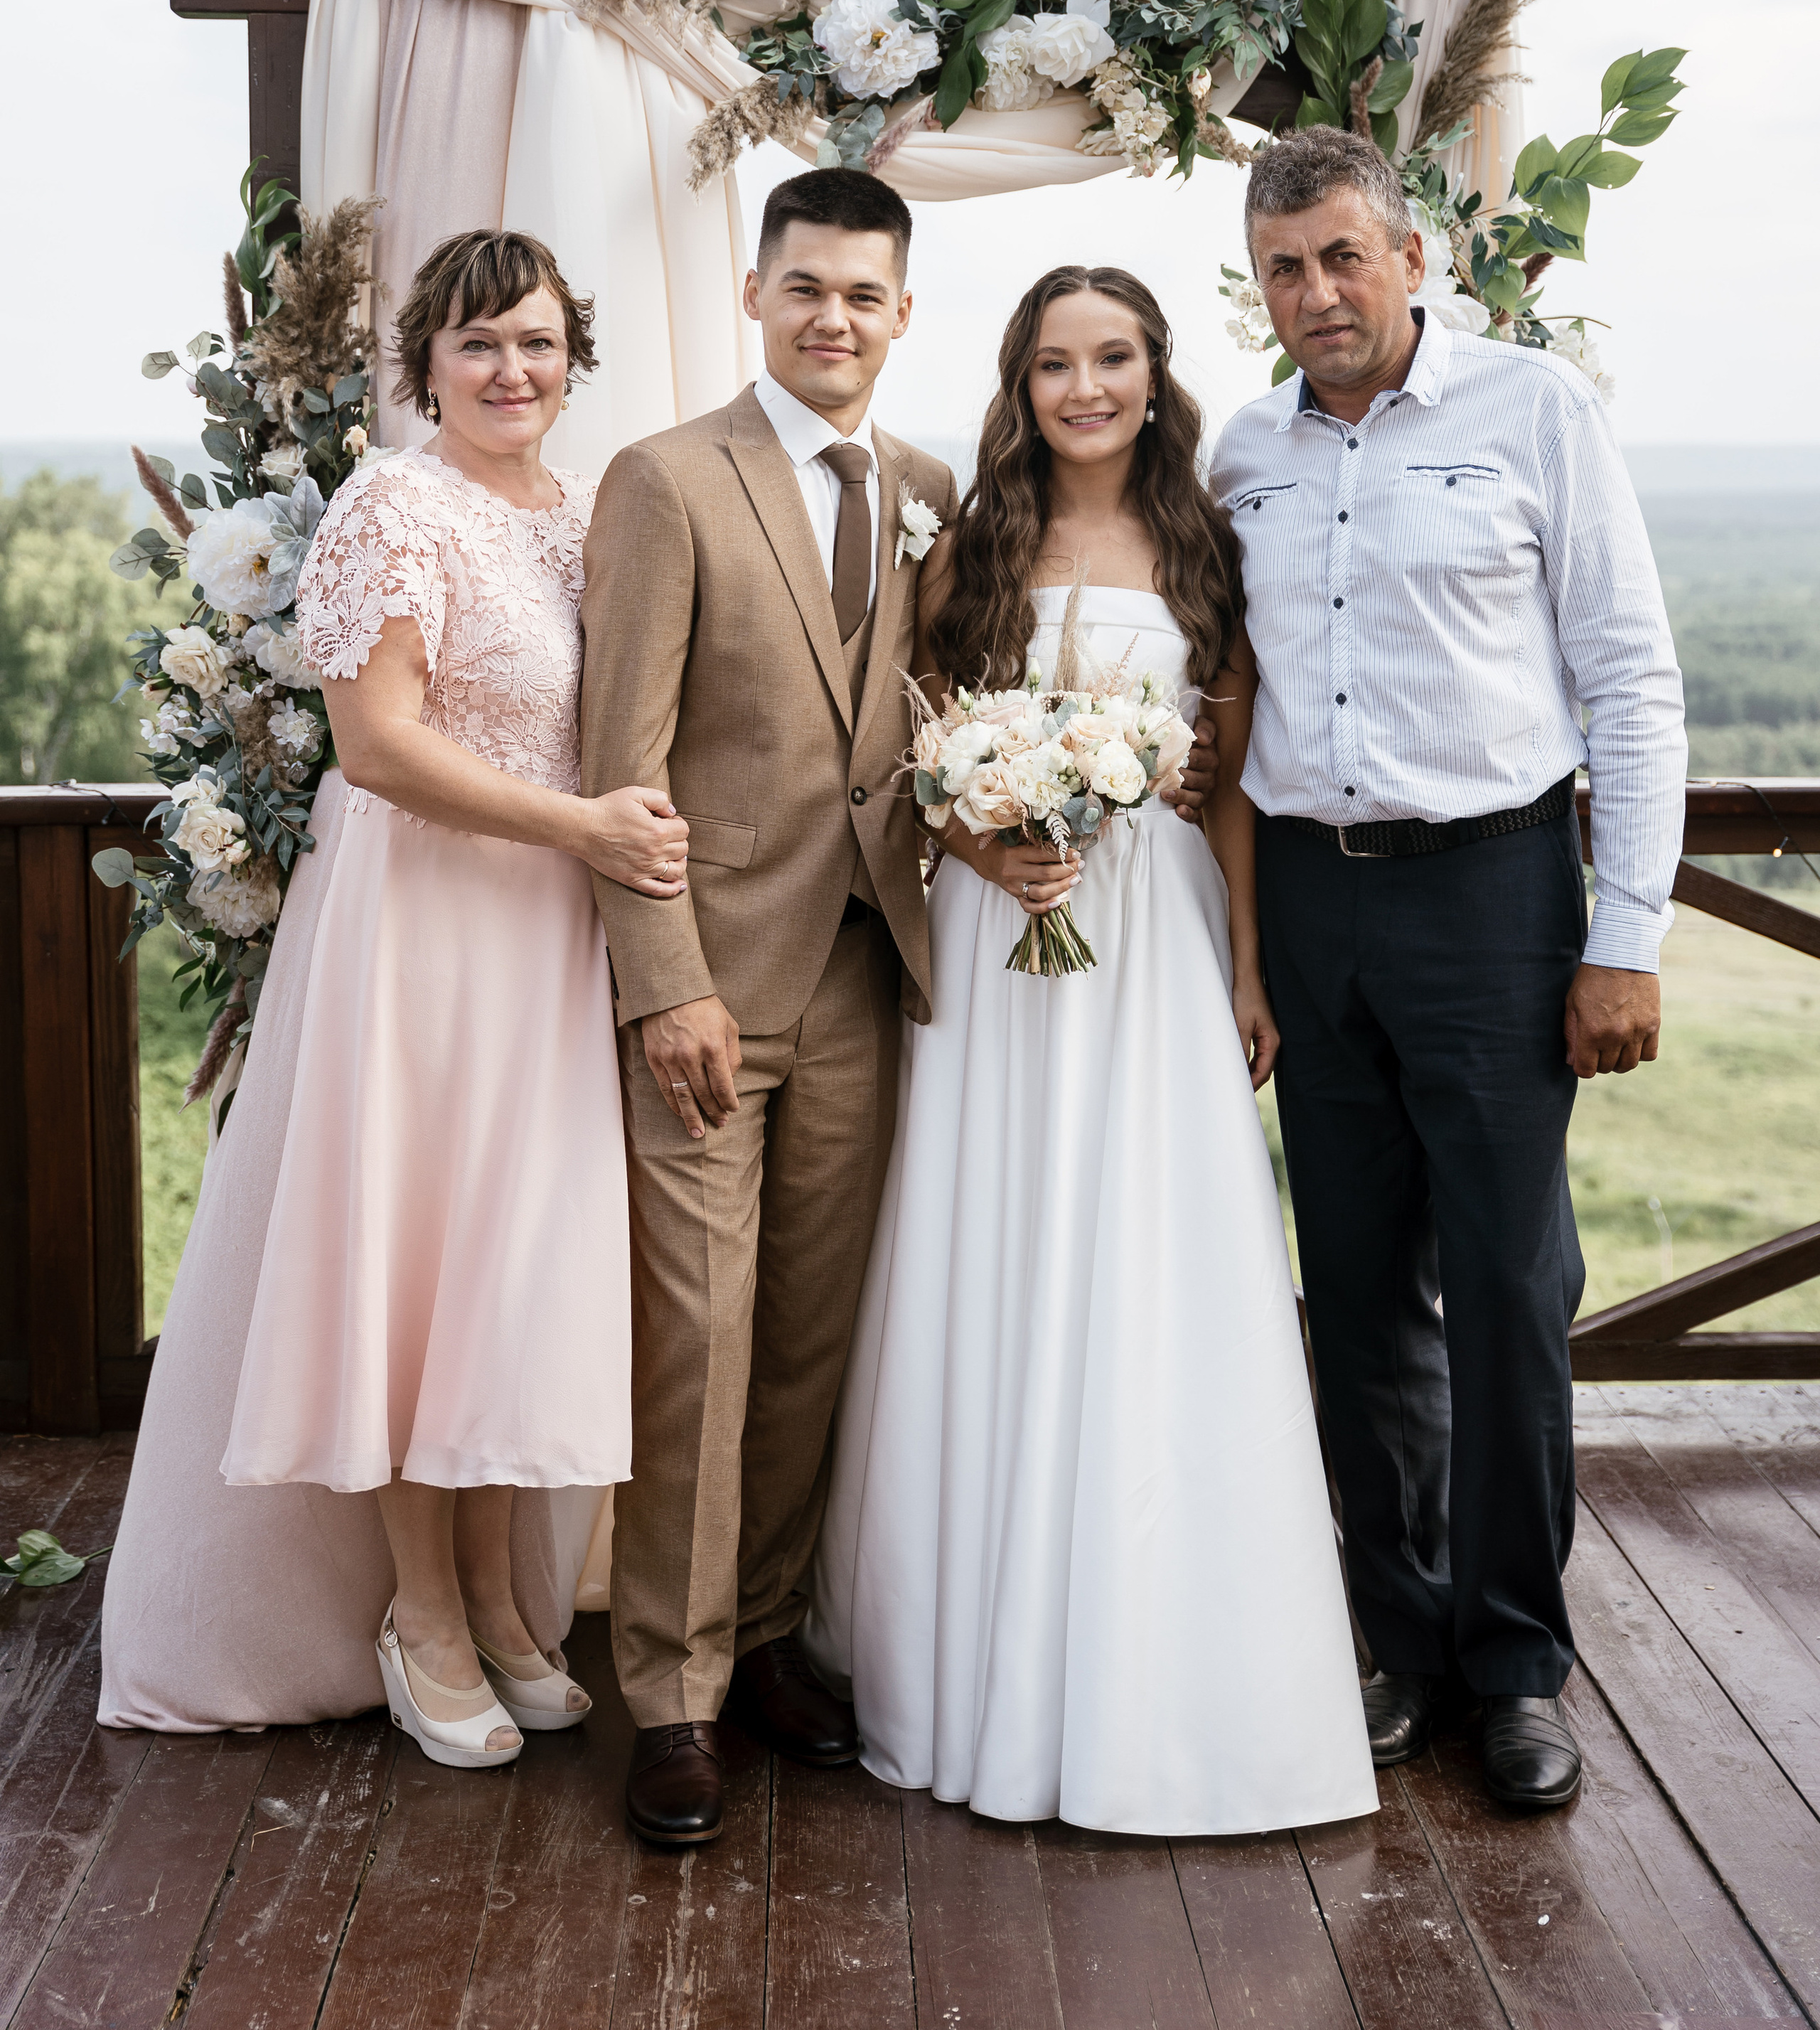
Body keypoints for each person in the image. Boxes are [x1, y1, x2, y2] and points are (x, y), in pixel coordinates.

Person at [804, 265, 1379, 1836]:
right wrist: (984, 843)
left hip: (1158, 937)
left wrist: (1247, 970)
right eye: (1054, 363)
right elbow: (910, 749)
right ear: (1019, 380)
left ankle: (1161, 1653)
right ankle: (969, 1647)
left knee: (1156, 1262)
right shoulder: (971, 539)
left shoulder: (1205, 538)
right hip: (1007, 936)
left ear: (1150, 369)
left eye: (1110, 357)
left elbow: (1233, 781)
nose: (1084, 388)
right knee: (991, 1254)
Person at [101, 230, 685, 1763]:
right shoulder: (392, 506)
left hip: (546, 941)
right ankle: (420, 1606)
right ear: (426, 360)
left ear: (576, 363)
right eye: (481, 342)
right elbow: (377, 745)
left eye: (540, 344)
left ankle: (502, 1597)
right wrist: (583, 831)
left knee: (510, 1259)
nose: (512, 371)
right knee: (419, 1264)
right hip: (422, 926)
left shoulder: (581, 514)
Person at [1176, 125, 1686, 1810]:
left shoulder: (1531, 411)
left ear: (1410, 259)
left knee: (1512, 1286)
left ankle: (1515, 1660)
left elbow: (1628, 676)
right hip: (1313, 909)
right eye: (1280, 269)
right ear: (1256, 292)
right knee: (1359, 1290)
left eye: (1338, 256)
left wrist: (1622, 935)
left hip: (1492, 894)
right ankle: (1394, 1646)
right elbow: (1218, 694)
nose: (1314, 293)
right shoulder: (1241, 452)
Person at [580, 166, 960, 1848]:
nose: (833, 319)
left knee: (811, 1341)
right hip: (710, 991)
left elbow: (932, 722)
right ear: (754, 294)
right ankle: (667, 1693)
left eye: (864, 296)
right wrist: (663, 985)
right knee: (701, 1343)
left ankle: (770, 1649)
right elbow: (621, 762)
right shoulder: (665, 481)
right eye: (804, 287)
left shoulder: (930, 487)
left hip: (872, 980)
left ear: (901, 314)